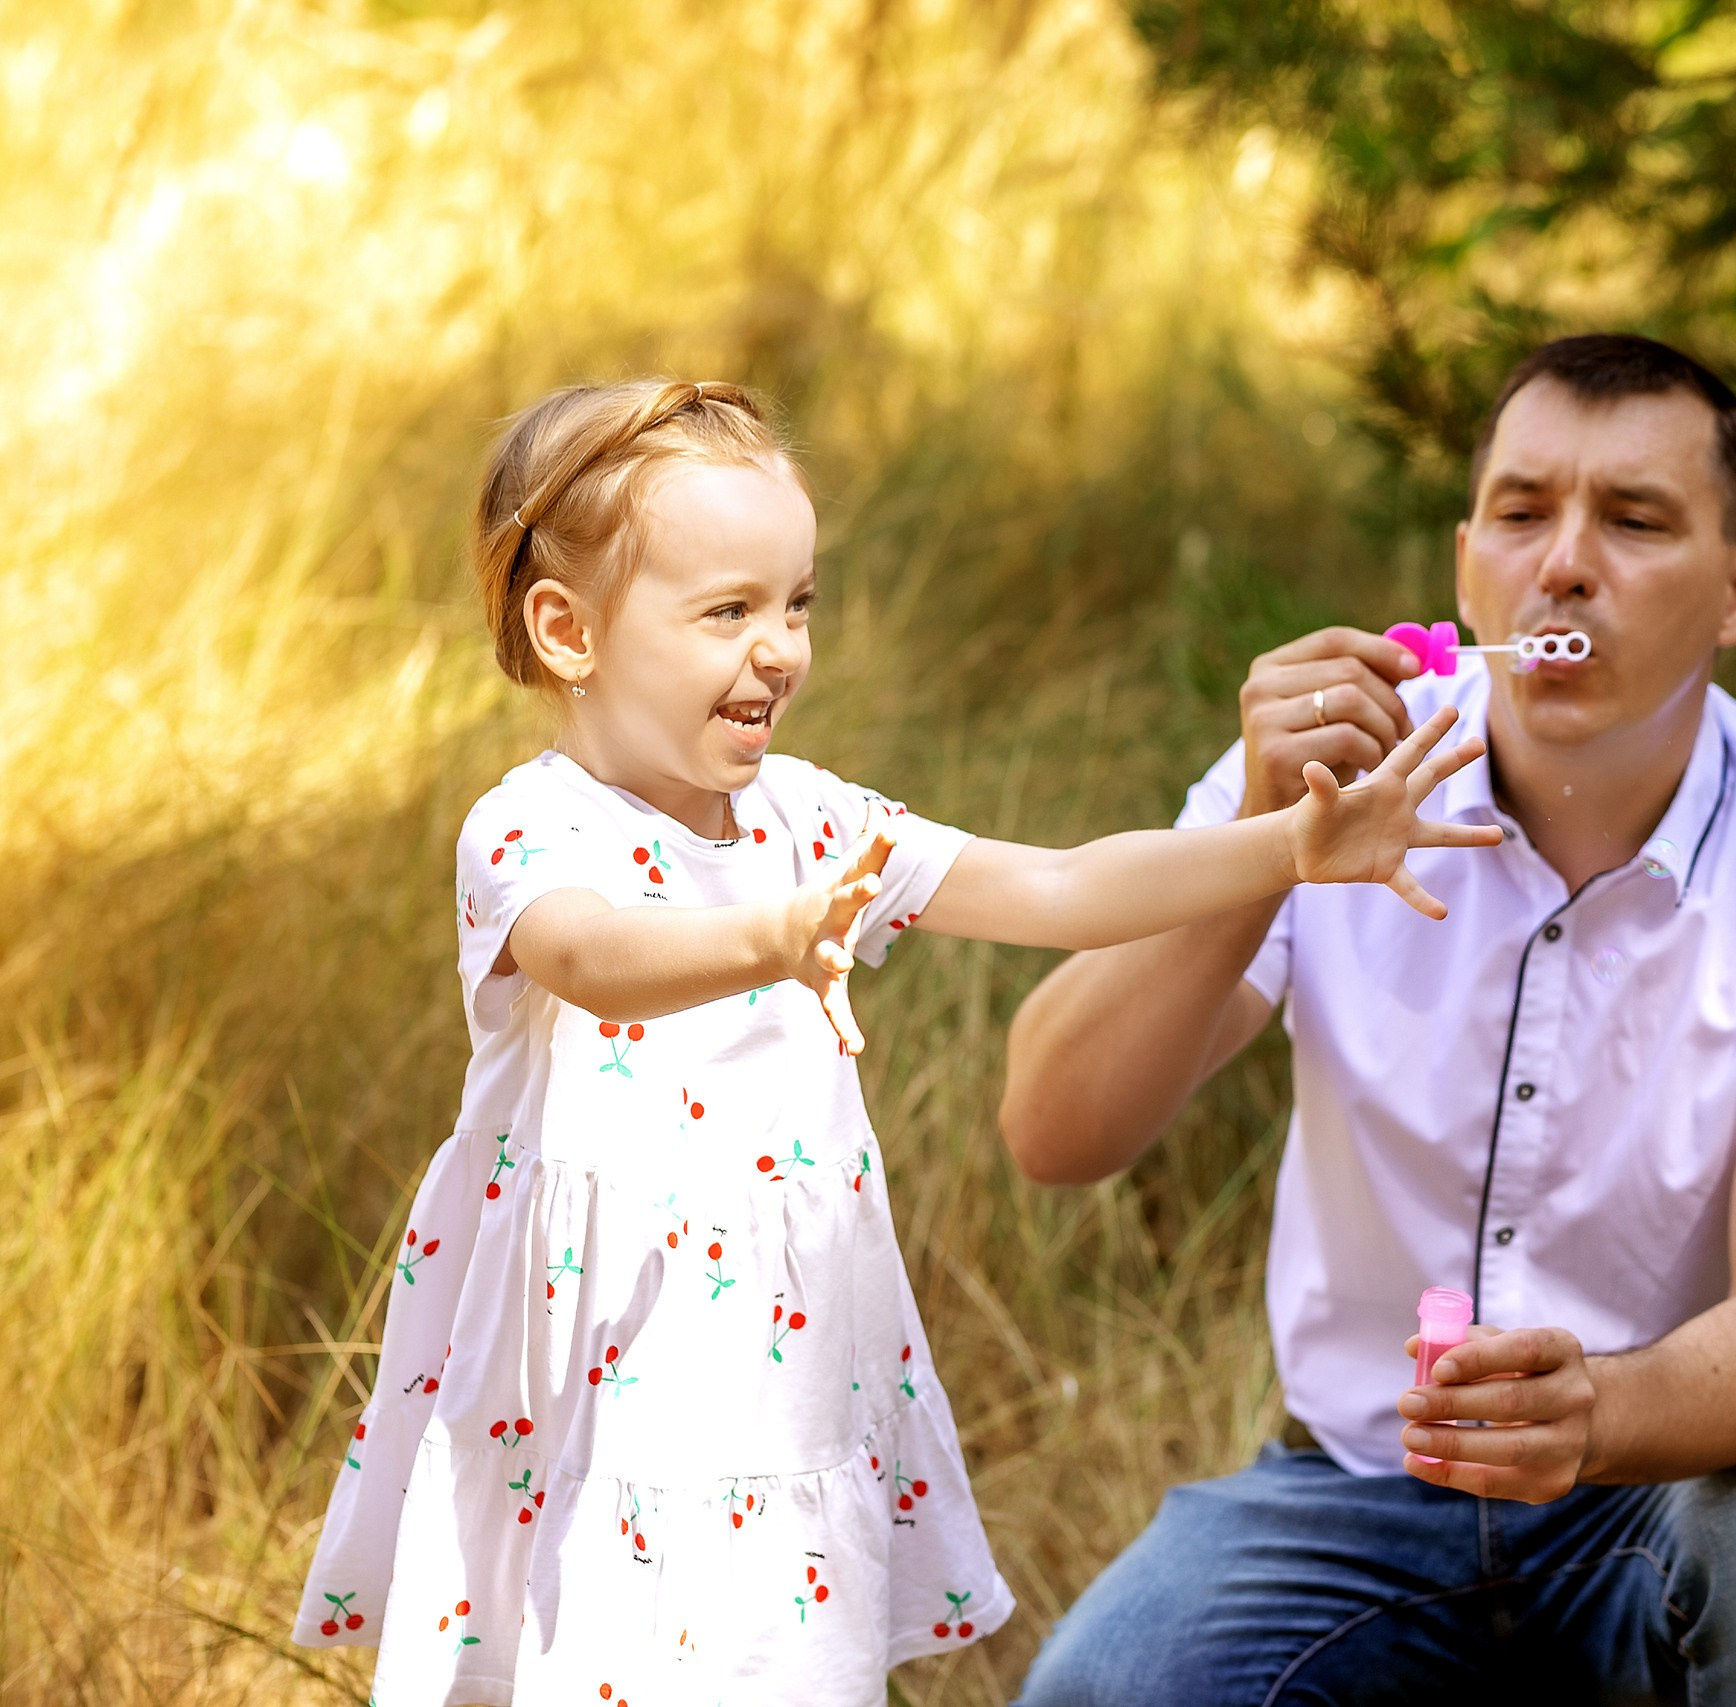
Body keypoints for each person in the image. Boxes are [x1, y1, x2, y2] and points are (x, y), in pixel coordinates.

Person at [289, 378, 1496, 1707]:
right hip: (597, 1365)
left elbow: (1059, 887)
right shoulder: (531, 830)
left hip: (777, 1363)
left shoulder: (814, 817)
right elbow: (592, 957)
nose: (782, 648)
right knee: (593, 1657)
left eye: (797, 601)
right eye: (727, 611)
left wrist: (1288, 846)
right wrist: (773, 938)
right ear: (569, 632)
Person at [1003, 334, 1736, 1705]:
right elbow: (1053, 1127)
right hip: (1352, 1496)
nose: (1563, 563)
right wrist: (1262, 849)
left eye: (1633, 521)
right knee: (1102, 1693)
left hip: (1667, 1495)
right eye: (1522, 513)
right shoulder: (1331, 782)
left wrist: (1602, 1414)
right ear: (1465, 566)